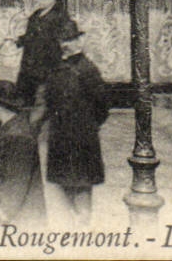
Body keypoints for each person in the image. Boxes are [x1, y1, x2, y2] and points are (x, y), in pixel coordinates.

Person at [43, 17, 108, 220]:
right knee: (63, 184)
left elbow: (102, 106)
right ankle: (71, 224)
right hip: (60, 135)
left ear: (78, 42)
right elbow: (50, 100)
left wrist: (87, 125)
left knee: (81, 185)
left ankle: (83, 224)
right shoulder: (55, 69)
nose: (65, 45)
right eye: (62, 40)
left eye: (69, 40)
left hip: (82, 137)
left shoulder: (87, 70)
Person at [0, 79, 47, 234]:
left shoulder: (18, 135)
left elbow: (18, 180)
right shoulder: (10, 129)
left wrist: (5, 214)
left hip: (15, 221)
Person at [15, 0, 67, 108]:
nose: (38, 0)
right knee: (27, 94)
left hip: (47, 62)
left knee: (45, 96)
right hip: (30, 60)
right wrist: (19, 40)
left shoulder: (59, 16)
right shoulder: (36, 15)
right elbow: (31, 34)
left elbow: (55, 39)